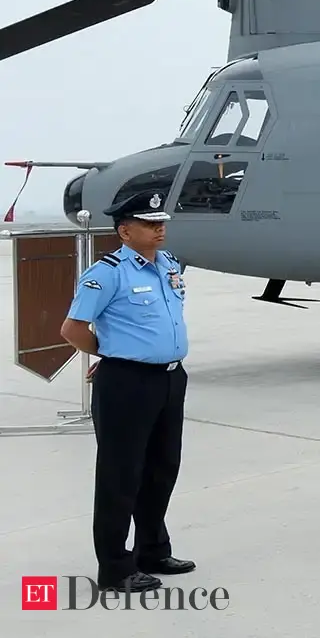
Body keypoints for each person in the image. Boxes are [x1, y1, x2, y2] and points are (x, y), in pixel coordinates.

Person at [59, 189, 195, 593]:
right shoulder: (108, 273)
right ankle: (116, 567)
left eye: (161, 223)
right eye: (149, 224)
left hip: (170, 379)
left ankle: (152, 550)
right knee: (121, 474)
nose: (159, 229)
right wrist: (114, 355)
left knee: (162, 469)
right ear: (124, 231)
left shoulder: (168, 265)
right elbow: (72, 329)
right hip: (127, 383)